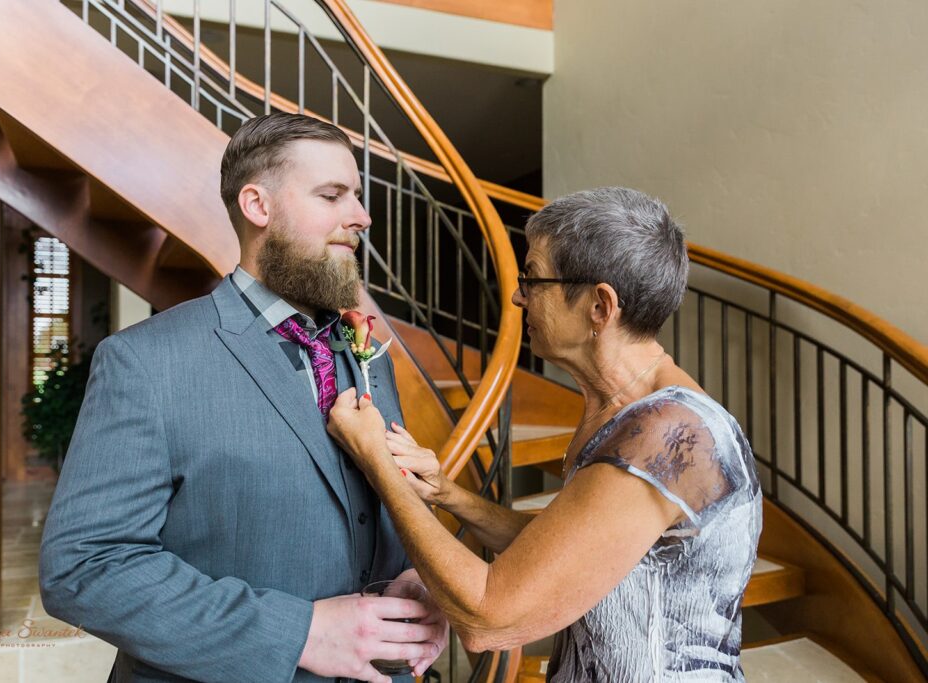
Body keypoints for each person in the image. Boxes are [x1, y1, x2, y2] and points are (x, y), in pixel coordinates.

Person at [39, 113, 446, 683]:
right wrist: (297, 633)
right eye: (332, 195)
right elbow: (86, 567)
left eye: (356, 196)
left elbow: (381, 497)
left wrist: (417, 577)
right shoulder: (145, 362)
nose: (361, 217)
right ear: (258, 206)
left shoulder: (365, 347)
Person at [327, 187, 763, 681]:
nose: (517, 295)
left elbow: (490, 617)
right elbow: (570, 551)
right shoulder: (621, 412)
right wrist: (449, 495)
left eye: (532, 278)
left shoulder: (665, 436)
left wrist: (376, 463)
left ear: (600, 306)